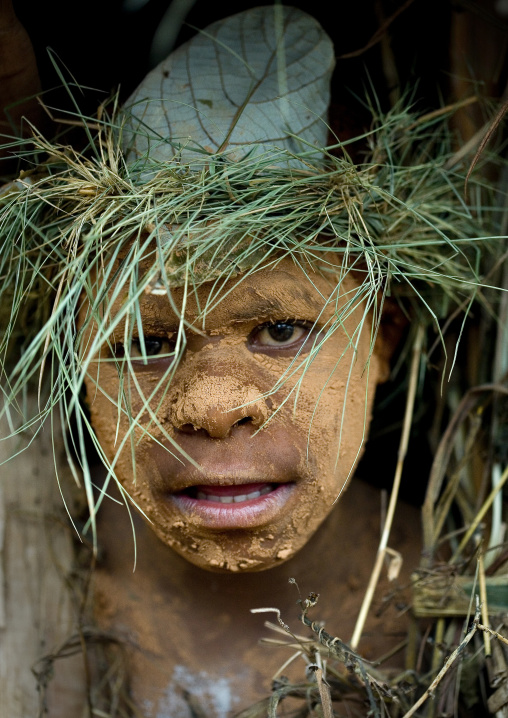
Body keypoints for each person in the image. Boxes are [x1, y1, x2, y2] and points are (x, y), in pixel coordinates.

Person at [1, 3, 506, 717]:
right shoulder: (30, 584)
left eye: (281, 330)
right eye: (146, 343)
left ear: (383, 337)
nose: (210, 405)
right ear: (78, 360)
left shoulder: (475, 601)